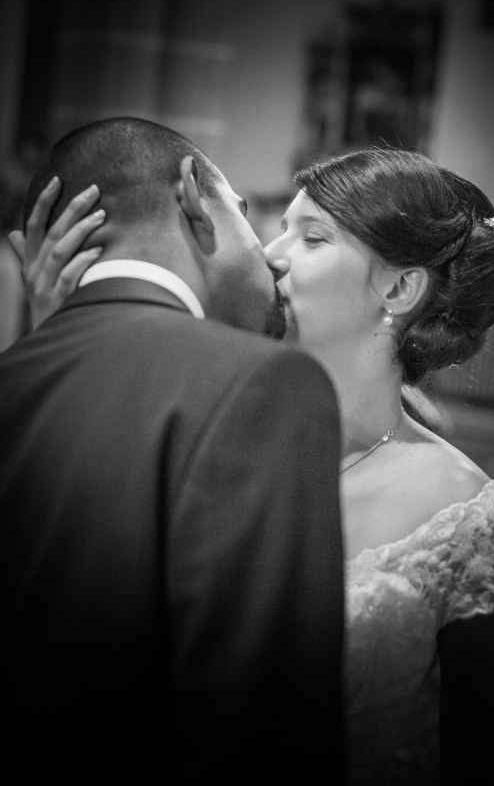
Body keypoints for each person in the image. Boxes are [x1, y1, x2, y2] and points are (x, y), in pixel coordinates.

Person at [14, 145, 494, 786]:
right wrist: (56, 335)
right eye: (278, 228)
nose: (270, 253)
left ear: (399, 287)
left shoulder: (468, 519)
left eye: (312, 237)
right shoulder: (203, 417)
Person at [0, 116, 347, 784]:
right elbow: (267, 726)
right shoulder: (262, 383)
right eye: (246, 214)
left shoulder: (16, 374)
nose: (270, 255)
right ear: (192, 193)